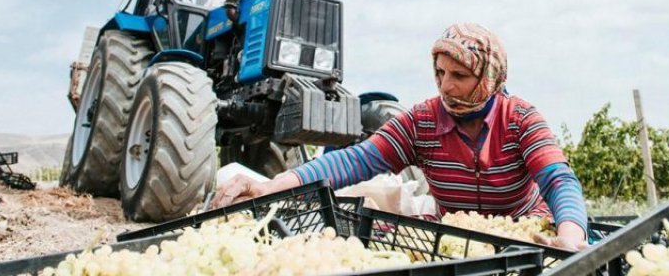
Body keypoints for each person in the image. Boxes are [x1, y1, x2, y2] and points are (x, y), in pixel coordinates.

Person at [214, 23, 588, 250]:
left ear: (489, 78)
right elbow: (354, 161)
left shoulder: (519, 118)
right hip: (455, 242)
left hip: (524, 235)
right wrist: (272, 186)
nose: (446, 85)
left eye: (459, 76)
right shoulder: (423, 122)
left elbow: (558, 181)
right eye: (440, 73)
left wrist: (570, 235)